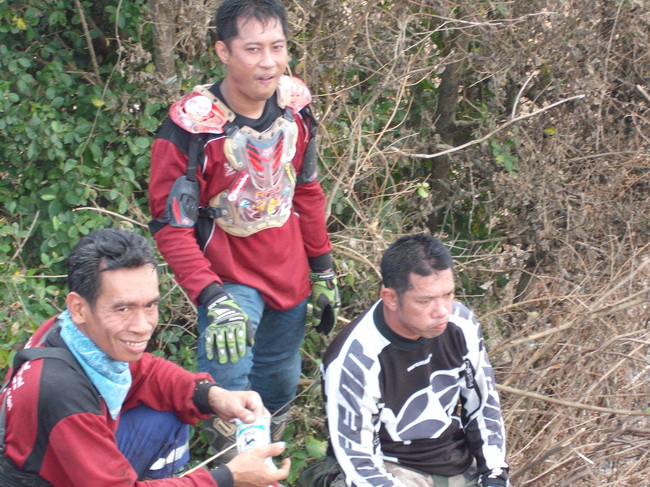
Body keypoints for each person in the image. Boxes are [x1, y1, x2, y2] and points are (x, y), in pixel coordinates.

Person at [147, 0, 339, 454]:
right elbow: (171, 227)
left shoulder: (296, 107)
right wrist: (211, 297)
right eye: (253, 49)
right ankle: (228, 472)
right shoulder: (191, 126)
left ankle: (267, 469)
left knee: (279, 386)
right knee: (229, 397)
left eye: (278, 47)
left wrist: (323, 268)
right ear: (224, 51)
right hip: (228, 281)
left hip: (289, 275)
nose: (268, 62)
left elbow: (306, 190)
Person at [0, 228, 290, 487]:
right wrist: (227, 478)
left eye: (150, 306)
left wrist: (213, 395)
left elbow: (146, 373)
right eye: (123, 309)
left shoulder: (71, 332)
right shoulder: (60, 390)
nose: (142, 326)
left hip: (64, 456)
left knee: (167, 412)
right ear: (78, 307)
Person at [320, 234, 509, 487]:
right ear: (391, 298)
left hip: (454, 459)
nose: (442, 311)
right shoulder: (355, 359)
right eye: (425, 300)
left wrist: (495, 475)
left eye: (448, 295)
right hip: (387, 466)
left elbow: (483, 405)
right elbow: (359, 462)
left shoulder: (461, 324)